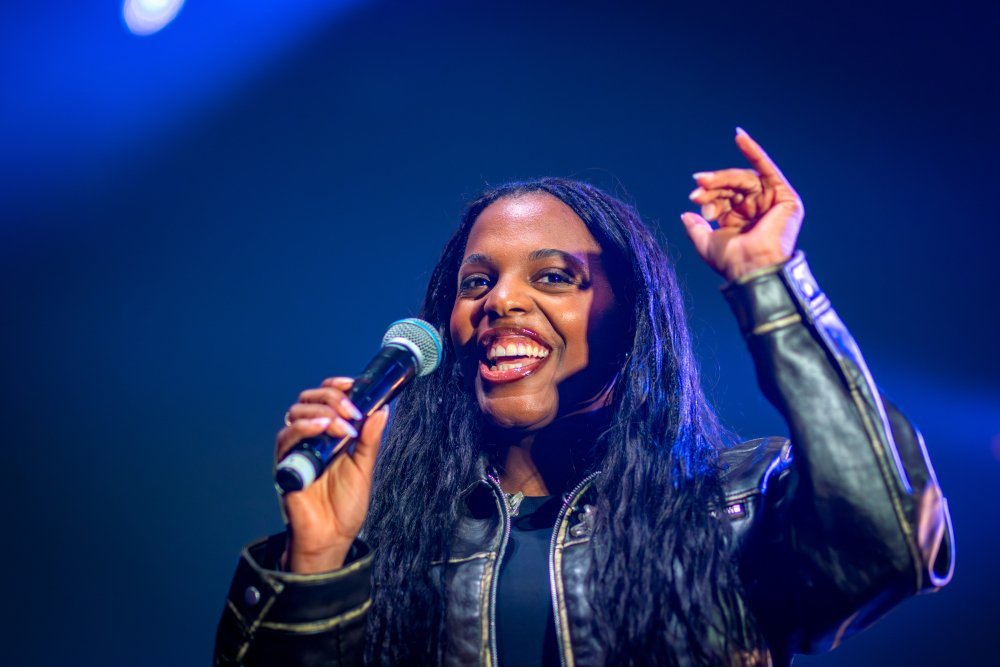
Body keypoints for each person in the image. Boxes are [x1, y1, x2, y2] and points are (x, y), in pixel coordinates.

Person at [214, 129, 954, 666]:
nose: (501, 300)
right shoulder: (388, 543)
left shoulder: (728, 510)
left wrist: (772, 282)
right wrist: (315, 563)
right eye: (478, 282)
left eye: (553, 276)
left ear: (628, 323)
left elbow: (886, 539)